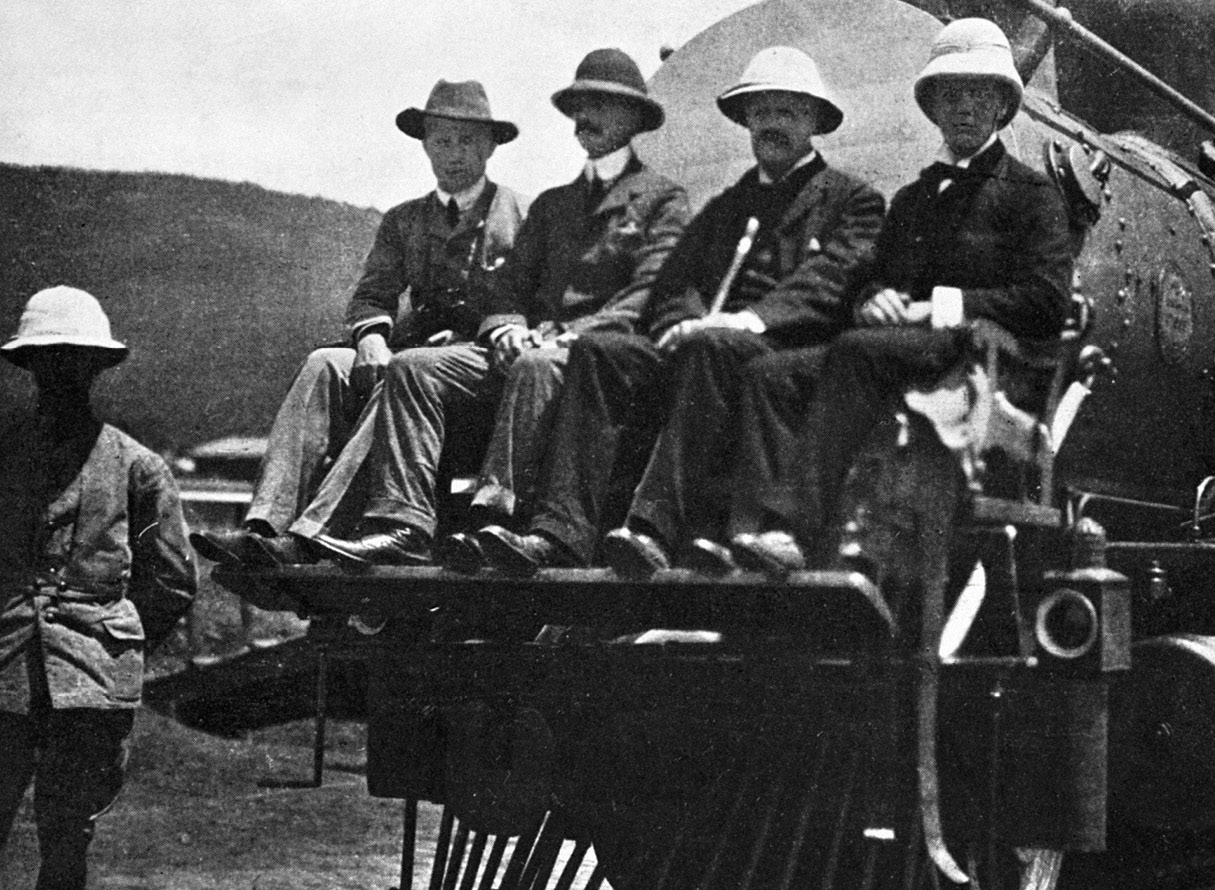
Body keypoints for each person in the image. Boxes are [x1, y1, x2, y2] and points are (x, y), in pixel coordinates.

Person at [467, 46, 886, 576]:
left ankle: (652, 530)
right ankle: (559, 533)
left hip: (780, 353)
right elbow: (674, 284)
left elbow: (830, 283)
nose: (771, 125)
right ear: (747, 121)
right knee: (602, 352)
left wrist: (742, 321)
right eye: (761, 113)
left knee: (711, 345)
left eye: (788, 112)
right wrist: (678, 324)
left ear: (814, 122)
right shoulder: (726, 206)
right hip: (700, 349)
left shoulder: (852, 200)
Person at [723, 19, 1077, 575]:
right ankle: (744, 535)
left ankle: (792, 528)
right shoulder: (913, 198)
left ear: (1002, 107)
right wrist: (873, 299)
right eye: (950, 95)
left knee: (857, 353)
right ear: (933, 106)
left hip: (980, 358)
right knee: (772, 374)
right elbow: (875, 279)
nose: (963, 107)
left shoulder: (1031, 196)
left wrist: (937, 305)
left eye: (979, 94)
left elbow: (1045, 299)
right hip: (903, 350)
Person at [313, 49, 690, 565]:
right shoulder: (555, 204)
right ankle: (404, 523)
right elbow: (507, 286)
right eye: (580, 105)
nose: (587, 117)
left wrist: (568, 334)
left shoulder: (663, 199)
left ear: (635, 119)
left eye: (604, 105)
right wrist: (507, 326)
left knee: (535, 365)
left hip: (599, 354)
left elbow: (651, 289)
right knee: (412, 367)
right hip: (529, 346)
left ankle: (496, 518)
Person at [191, 80, 524, 569]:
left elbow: (532, 304)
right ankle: (265, 523)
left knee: (404, 370)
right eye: (442, 141)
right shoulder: (404, 220)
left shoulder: (521, 214)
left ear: (491, 145)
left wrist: (471, 335)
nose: (453, 155)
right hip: (413, 364)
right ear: (426, 145)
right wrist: (371, 337)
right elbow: (372, 293)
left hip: (480, 377)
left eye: (468, 141)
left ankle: (313, 532)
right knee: (325, 362)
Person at [0, 287, 196, 890]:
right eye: (45, 361)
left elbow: (173, 581)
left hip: (89, 690)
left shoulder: (138, 468)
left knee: (67, 837)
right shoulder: (3, 455)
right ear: (28, 368)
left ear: (94, 369)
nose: (59, 375)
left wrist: (110, 641)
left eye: (72, 362)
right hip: (5, 674)